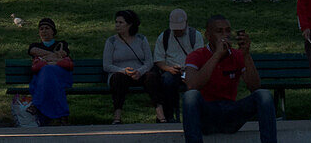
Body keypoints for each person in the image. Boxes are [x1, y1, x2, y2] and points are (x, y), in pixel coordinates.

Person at [182, 14, 277, 143]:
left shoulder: (237, 55)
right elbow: (191, 86)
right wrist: (217, 56)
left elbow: (254, 87)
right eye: (219, 31)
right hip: (207, 114)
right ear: (208, 36)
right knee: (190, 96)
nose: (225, 35)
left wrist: (246, 55)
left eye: (228, 30)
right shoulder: (197, 56)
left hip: (231, 112)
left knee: (264, 95)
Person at [103, 10, 165, 124]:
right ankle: (117, 116)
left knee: (152, 77)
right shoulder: (111, 41)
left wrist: (139, 72)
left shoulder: (141, 39)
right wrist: (123, 71)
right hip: (120, 74)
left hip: (139, 73)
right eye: (116, 22)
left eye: (121, 22)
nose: (117, 25)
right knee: (118, 79)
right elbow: (107, 65)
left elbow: (149, 62)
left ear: (129, 24)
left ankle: (160, 115)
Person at [152, 8, 203, 122]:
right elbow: (159, 60)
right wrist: (169, 68)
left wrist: (189, 69)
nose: (177, 31)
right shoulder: (164, 37)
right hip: (171, 70)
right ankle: (169, 115)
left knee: (196, 84)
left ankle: (194, 115)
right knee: (167, 81)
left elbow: (199, 58)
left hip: (191, 71)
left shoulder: (195, 36)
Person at [28, 18, 74, 125]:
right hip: (44, 78)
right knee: (49, 76)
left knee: (47, 70)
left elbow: (64, 53)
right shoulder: (35, 45)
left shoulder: (62, 43)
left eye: (47, 28)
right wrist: (53, 56)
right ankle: (63, 115)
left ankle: (36, 104)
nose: (44, 31)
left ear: (53, 31)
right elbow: (32, 51)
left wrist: (45, 58)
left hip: (60, 74)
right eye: (41, 29)